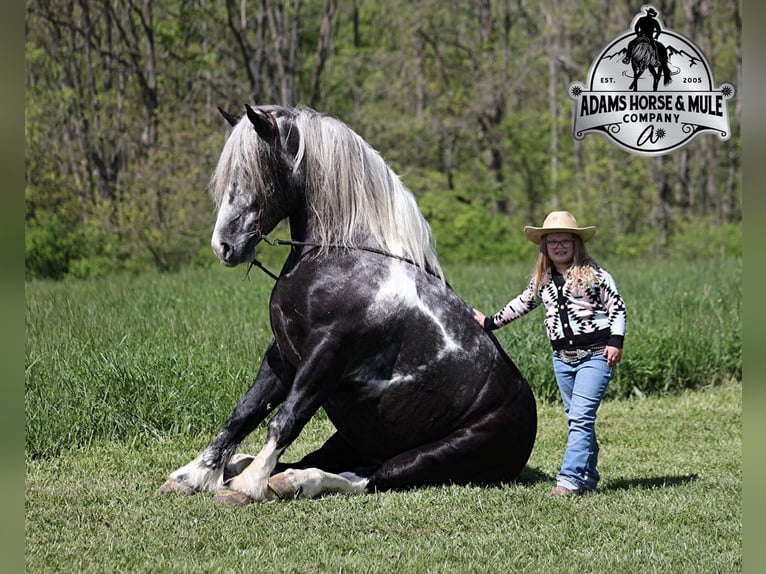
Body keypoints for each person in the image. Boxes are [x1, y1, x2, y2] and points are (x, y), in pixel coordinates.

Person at [473, 211, 627, 496]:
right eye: (552, 241)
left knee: (581, 419)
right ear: (544, 246)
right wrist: (490, 322)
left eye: (565, 240)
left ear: (576, 243)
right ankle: (588, 477)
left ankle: (568, 481)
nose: (559, 246)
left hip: (595, 355)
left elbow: (616, 308)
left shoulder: (594, 275)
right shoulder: (542, 280)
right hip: (563, 360)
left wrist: (615, 341)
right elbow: (521, 304)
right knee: (578, 419)